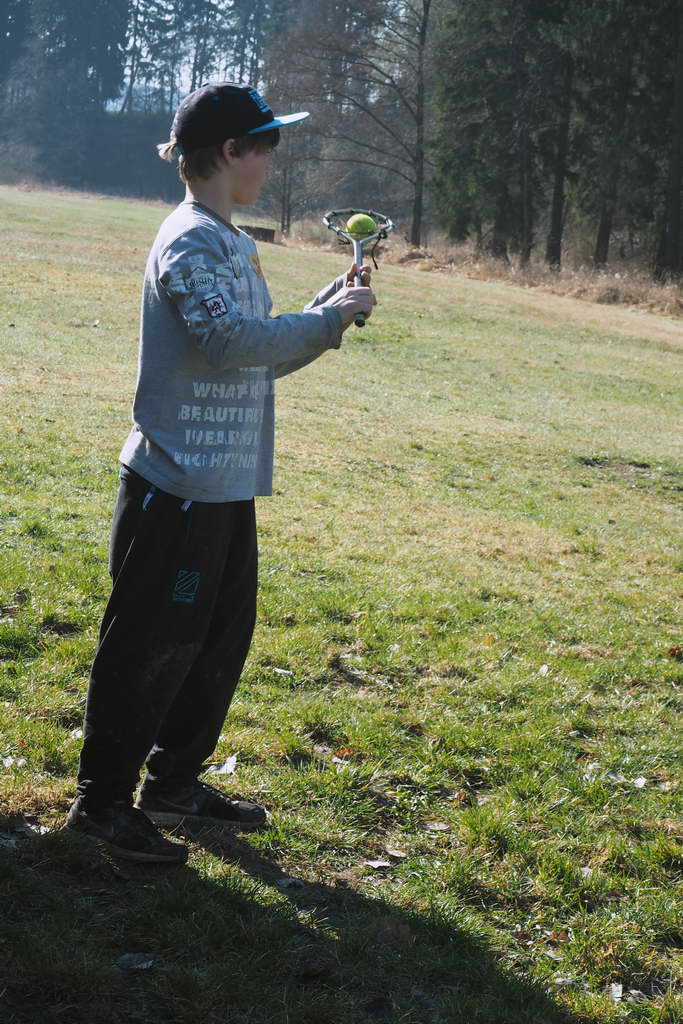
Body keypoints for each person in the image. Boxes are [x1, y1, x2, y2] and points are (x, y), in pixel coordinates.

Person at [64, 82, 376, 863]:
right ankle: (100, 806)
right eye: (265, 147)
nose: (271, 163)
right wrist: (323, 319)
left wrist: (326, 314)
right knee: (151, 646)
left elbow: (251, 361)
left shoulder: (231, 243)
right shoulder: (190, 241)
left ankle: (172, 786)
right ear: (230, 151)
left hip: (225, 482)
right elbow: (228, 341)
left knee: (213, 644)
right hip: (176, 488)